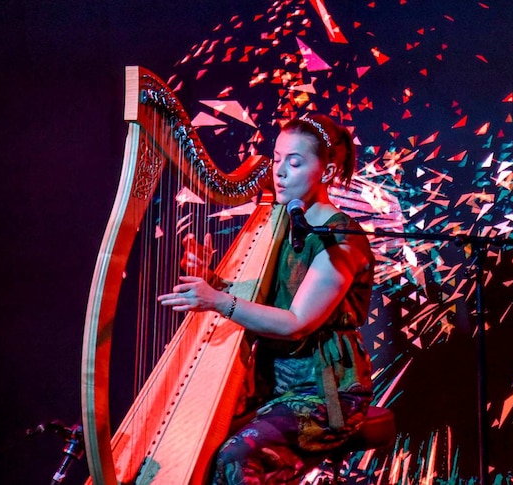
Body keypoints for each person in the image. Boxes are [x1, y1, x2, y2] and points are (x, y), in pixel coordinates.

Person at [157, 114, 375, 485]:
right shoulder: (278, 226)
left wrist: (217, 300)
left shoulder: (341, 238)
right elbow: (261, 301)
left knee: (235, 455)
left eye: (295, 162)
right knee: (183, 451)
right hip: (274, 389)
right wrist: (210, 277)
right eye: (276, 159)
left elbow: (295, 323)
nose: (280, 172)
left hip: (326, 393)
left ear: (328, 170)